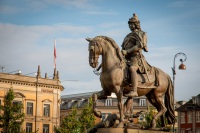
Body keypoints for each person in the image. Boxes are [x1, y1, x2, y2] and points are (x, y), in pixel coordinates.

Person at [121, 13, 148, 97]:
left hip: (136, 57)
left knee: (132, 68)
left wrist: (128, 51)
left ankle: (134, 90)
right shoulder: (127, 36)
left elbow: (140, 46)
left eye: (132, 24)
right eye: (129, 24)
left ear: (136, 24)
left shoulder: (141, 33)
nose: (130, 26)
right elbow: (123, 47)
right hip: (126, 58)